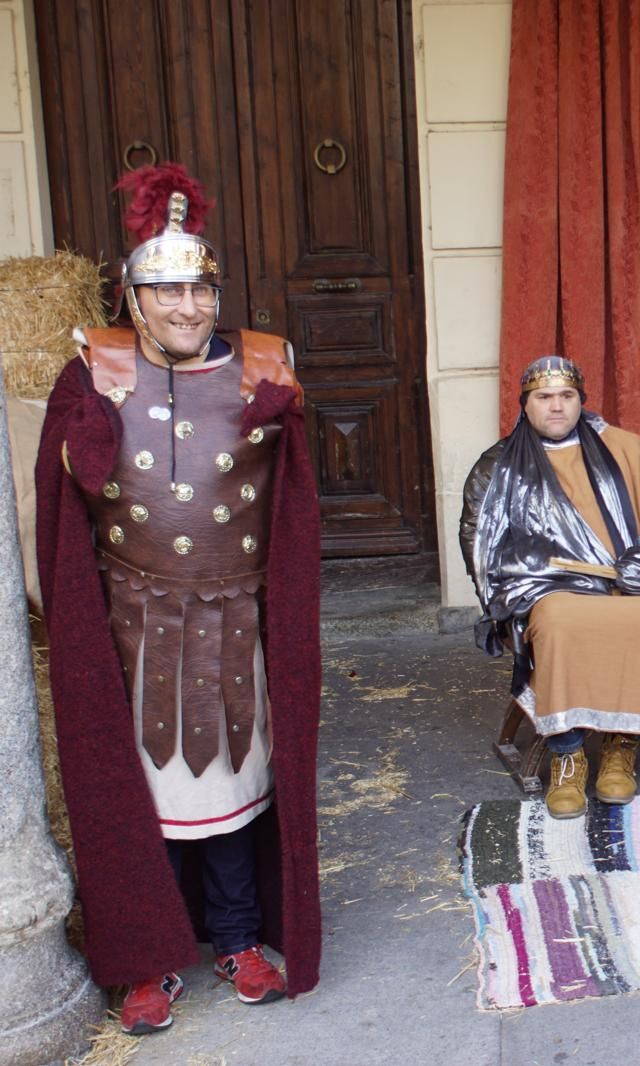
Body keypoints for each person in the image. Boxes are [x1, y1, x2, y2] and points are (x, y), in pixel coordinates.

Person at [35, 164, 322, 1034]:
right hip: (133, 625)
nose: (189, 307)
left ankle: (236, 939)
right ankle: (150, 959)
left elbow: (297, 507)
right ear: (134, 296)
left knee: (237, 782)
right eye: (168, 291)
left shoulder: (266, 367)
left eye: (200, 288)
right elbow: (60, 511)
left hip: (239, 620)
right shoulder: (91, 374)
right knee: (143, 794)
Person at [461, 356, 640, 819]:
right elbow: (482, 543)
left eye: (566, 397)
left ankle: (621, 747)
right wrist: (535, 577)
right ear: (525, 404)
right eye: (544, 398)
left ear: (581, 401)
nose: (557, 407)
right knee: (562, 620)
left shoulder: (623, 447)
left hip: (631, 578)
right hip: (552, 589)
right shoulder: (500, 466)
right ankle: (569, 755)